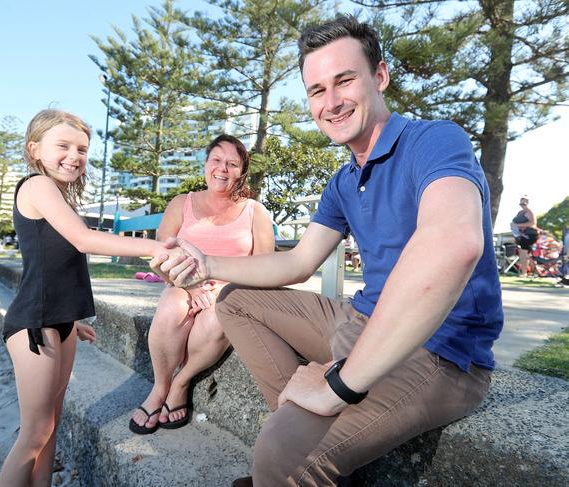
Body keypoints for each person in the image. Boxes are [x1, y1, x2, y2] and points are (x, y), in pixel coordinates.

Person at [153, 15, 503, 487]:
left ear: (379, 76)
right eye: (317, 90)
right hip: (361, 320)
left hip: (439, 351)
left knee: (280, 457)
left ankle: (296, 450)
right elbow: (297, 262)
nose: (331, 102)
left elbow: (455, 243)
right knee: (234, 299)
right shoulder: (343, 180)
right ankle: (300, 420)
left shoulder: (434, 140)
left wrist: (338, 386)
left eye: (344, 80)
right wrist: (207, 264)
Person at [0, 109, 190, 487]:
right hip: (34, 323)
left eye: (83, 149)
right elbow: (84, 241)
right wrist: (155, 246)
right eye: (63, 146)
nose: (75, 156)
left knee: (51, 427)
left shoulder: (58, 197)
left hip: (61, 322)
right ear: (34, 149)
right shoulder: (36, 186)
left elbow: (59, 264)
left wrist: (74, 319)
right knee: (34, 434)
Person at [129, 134, 275, 435]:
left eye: (233, 164)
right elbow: (162, 252)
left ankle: (181, 382)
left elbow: (266, 266)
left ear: (242, 171)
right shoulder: (182, 202)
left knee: (215, 319)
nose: (223, 169)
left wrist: (223, 289)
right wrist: (190, 286)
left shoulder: (255, 211)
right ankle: (160, 388)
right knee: (170, 306)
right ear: (206, 164)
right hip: (183, 284)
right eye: (217, 160)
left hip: (232, 292)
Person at [511, 196, 538, 276]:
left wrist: (518, 225)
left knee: (523, 253)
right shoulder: (520, 212)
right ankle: (533, 271)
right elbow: (514, 223)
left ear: (527, 203)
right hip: (521, 234)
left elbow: (532, 223)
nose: (522, 205)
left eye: (524, 203)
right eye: (521, 203)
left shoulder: (530, 212)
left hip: (530, 234)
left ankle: (524, 273)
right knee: (526, 254)